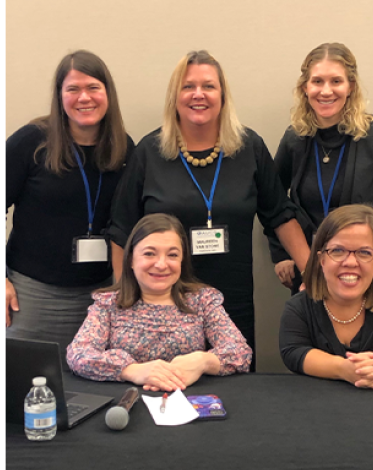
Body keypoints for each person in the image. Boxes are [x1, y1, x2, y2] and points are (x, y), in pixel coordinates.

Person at [107, 50, 310, 371]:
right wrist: (123, 299)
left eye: (209, 86)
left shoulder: (249, 147)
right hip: (161, 303)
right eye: (188, 86)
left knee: (233, 395)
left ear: (223, 95)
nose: (198, 94)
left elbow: (280, 216)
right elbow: (121, 231)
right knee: (164, 393)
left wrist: (313, 274)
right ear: (175, 96)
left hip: (232, 300)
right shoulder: (150, 151)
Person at [5, 50, 135, 367]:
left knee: (91, 396)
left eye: (93, 87)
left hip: (99, 297)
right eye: (72, 89)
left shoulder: (123, 148)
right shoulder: (32, 141)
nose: (84, 98)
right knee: (28, 390)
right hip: (32, 296)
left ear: (108, 94)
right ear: (60, 96)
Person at [268, 42, 373, 295]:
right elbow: (273, 203)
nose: (326, 91)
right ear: (305, 88)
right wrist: (281, 253)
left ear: (351, 87)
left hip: (367, 276)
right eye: (317, 81)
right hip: (310, 276)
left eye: (336, 81)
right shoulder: (295, 139)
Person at [67, 214, 252, 391]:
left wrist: (203, 361)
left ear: (182, 260)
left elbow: (240, 353)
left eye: (172, 255)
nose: (162, 264)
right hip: (126, 402)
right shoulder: (108, 303)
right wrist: (132, 370)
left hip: (188, 401)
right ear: (131, 259)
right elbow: (79, 354)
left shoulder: (202, 300)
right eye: (149, 254)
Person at [279, 204, 373, 389]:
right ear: (322, 260)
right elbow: (293, 351)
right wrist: (343, 369)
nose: (350, 262)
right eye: (338, 251)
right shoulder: (298, 307)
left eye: (364, 253)